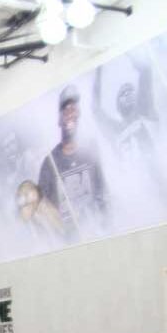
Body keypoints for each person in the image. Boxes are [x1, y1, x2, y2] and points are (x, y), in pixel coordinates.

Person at [35, 86, 107, 231]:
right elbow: (43, 211)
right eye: (65, 111)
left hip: (96, 233)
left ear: (79, 115)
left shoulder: (90, 152)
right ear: (59, 120)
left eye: (73, 109)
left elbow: (103, 195)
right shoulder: (50, 163)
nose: (70, 115)